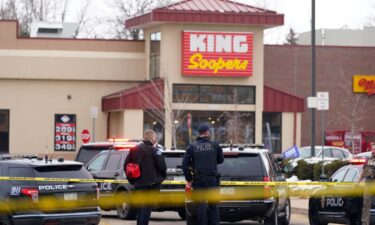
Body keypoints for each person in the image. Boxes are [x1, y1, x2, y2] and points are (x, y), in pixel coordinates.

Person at [182, 123, 224, 225]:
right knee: (213, 205)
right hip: (212, 179)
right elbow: (221, 160)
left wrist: (189, 179)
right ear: (207, 132)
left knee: (201, 205)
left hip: (199, 179)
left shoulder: (192, 146)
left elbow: (185, 164)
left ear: (199, 133)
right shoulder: (215, 144)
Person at [124, 130, 167, 225]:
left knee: (140, 210)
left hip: (138, 185)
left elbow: (126, 166)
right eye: (155, 138)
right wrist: (160, 179)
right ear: (152, 139)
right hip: (151, 186)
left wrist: (132, 181)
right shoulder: (155, 151)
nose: (156, 140)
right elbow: (163, 167)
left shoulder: (134, 149)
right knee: (146, 211)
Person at [359, 150, 375, 225]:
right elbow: (364, 172)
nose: (373, 151)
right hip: (368, 184)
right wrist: (358, 182)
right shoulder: (368, 160)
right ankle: (365, 222)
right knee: (366, 204)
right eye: (372, 149)